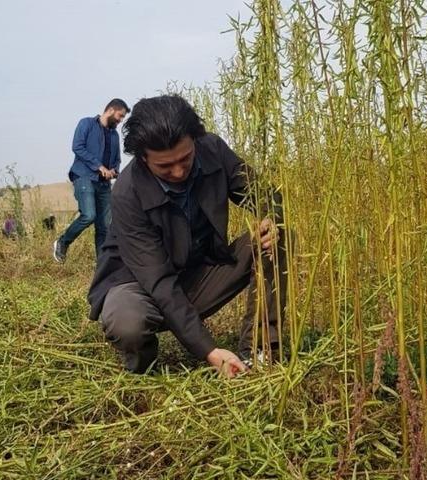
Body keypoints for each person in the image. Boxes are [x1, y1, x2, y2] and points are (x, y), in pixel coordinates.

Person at [87, 95, 288, 378]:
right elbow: (158, 282)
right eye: (165, 167)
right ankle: (144, 367)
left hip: (196, 274)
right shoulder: (127, 192)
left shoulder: (213, 150)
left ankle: (260, 351)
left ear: (195, 140)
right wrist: (209, 350)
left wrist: (271, 218)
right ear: (143, 158)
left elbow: (266, 195)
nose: (179, 171)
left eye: (185, 159)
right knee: (127, 323)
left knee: (276, 238)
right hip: (140, 285)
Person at [53, 98, 129, 262]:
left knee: (104, 227)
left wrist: (114, 171)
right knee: (89, 215)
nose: (121, 120)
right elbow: (77, 146)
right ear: (110, 110)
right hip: (84, 177)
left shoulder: (114, 135)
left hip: (104, 184)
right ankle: (62, 242)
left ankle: (101, 267)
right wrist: (99, 166)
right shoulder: (86, 123)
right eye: (120, 116)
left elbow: (116, 160)